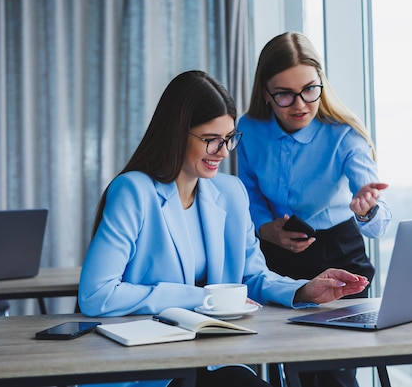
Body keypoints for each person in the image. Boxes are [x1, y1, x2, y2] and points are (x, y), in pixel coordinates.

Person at [78, 70, 369, 387]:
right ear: (177, 133)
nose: (223, 151)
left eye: (229, 138)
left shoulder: (230, 193)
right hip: (150, 368)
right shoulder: (133, 191)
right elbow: (97, 294)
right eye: (210, 140)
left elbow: (252, 278)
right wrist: (198, 298)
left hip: (216, 360)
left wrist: (302, 289)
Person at [237, 32, 392, 387]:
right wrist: (264, 227)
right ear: (266, 93)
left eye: (310, 88)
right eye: (284, 94)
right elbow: (247, 191)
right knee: (286, 371)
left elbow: (378, 221)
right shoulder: (248, 129)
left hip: (339, 256)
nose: (300, 103)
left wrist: (366, 207)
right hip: (275, 259)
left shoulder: (344, 134)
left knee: (334, 375)